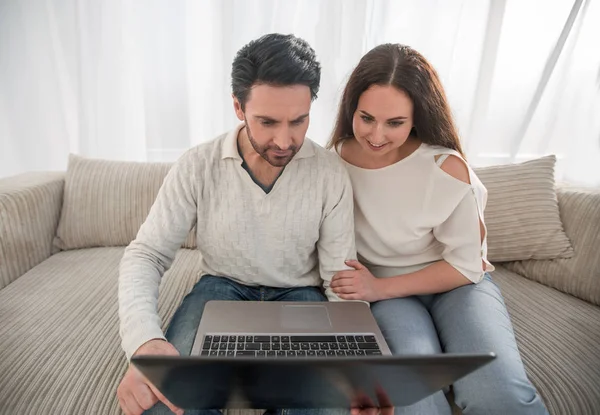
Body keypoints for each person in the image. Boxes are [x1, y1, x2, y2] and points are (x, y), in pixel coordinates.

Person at [116, 33, 357, 415]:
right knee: (166, 404)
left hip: (300, 297)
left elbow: (340, 279)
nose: (284, 140)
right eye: (267, 121)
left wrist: (352, 362)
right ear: (238, 107)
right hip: (221, 290)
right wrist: (143, 341)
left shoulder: (329, 172)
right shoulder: (198, 164)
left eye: (299, 120)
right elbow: (146, 253)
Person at [327, 44, 549, 415]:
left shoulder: (445, 167)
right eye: (366, 118)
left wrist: (379, 287)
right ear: (351, 109)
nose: (376, 135)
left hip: (458, 287)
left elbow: (466, 266)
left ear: (417, 117)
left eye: (394, 123)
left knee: (499, 395)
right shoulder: (332, 163)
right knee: (414, 397)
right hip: (391, 300)